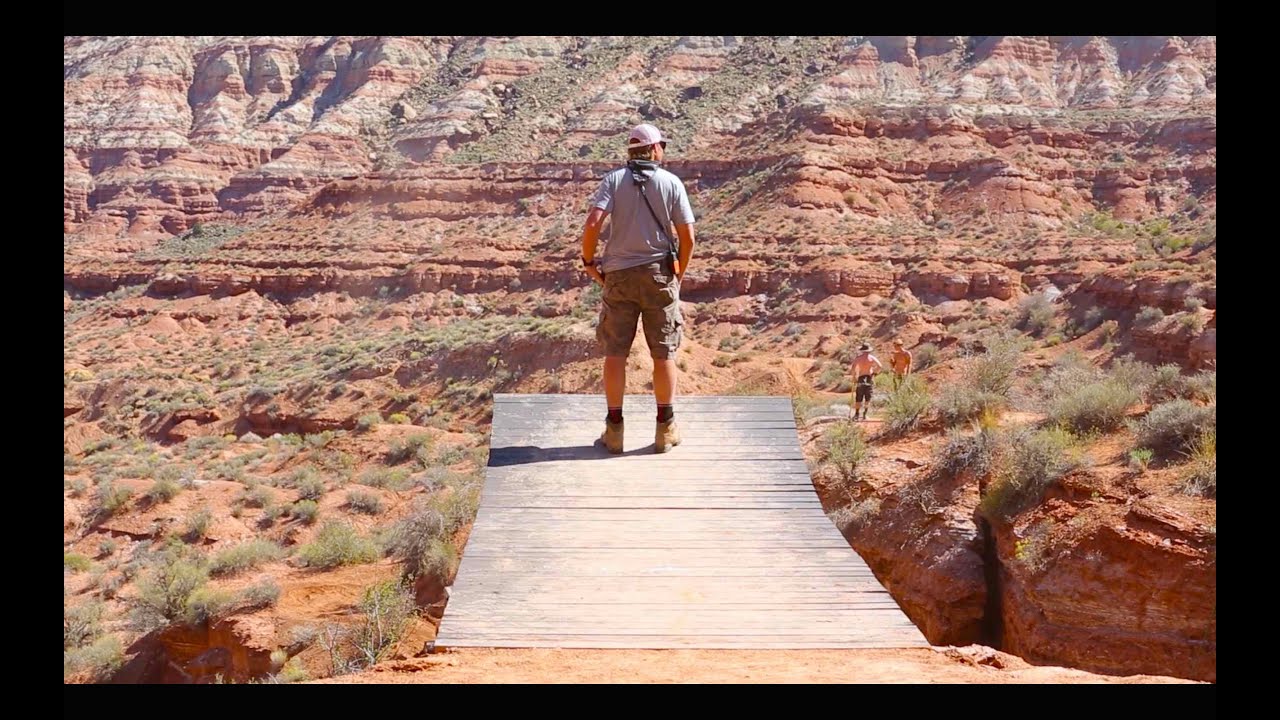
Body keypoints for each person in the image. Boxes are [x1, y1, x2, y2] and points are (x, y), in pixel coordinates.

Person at [579, 123, 696, 454]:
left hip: (618, 276)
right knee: (663, 352)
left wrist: (588, 261)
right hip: (660, 275)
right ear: (655, 149)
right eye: (662, 146)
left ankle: (614, 430)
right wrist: (678, 275)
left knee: (615, 353)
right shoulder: (671, 183)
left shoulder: (613, 181)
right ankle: (665, 429)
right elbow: (688, 237)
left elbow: (593, 223)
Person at [850, 343, 883, 421]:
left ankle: (857, 414)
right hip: (869, 377)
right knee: (868, 397)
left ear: (862, 350)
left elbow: (853, 368)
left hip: (861, 377)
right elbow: (880, 366)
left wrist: (854, 377)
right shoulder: (872, 358)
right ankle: (865, 414)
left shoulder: (858, 358)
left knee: (859, 397)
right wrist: (875, 373)